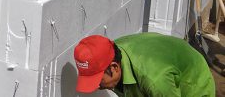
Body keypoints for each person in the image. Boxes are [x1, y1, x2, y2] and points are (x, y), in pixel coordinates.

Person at [74, 33, 215, 96]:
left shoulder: (154, 80)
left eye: (98, 81)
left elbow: (156, 83)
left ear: (114, 67)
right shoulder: (111, 53)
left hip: (193, 80)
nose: (97, 87)